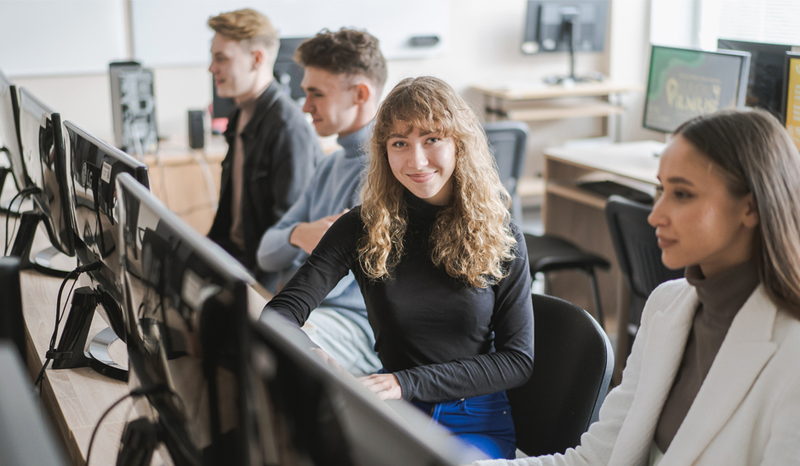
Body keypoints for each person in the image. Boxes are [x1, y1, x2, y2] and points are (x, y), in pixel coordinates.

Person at [475, 108, 800, 466]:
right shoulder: (667, 304)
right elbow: (596, 459)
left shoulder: (792, 352)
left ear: (750, 208)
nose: (655, 215)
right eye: (661, 190)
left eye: (682, 194)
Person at [263, 76, 534, 460]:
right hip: (397, 416)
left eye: (432, 139)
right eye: (400, 143)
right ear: (384, 151)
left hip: (473, 419)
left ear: (459, 143)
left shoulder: (500, 233)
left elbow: (517, 361)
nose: (416, 161)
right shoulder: (362, 226)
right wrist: (311, 352)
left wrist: (404, 383)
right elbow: (280, 313)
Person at [256, 28, 387, 376]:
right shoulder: (331, 164)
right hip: (314, 312)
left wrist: (293, 245)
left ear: (360, 94)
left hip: (358, 328)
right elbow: (266, 252)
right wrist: (299, 234)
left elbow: (332, 285)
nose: (305, 106)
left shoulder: (384, 173)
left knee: (260, 349)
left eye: (316, 93)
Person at [206, 8, 321, 291]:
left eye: (221, 58)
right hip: (235, 259)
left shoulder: (287, 128)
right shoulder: (239, 116)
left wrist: (257, 298)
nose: (212, 68)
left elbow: (288, 234)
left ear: (257, 59)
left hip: (262, 277)